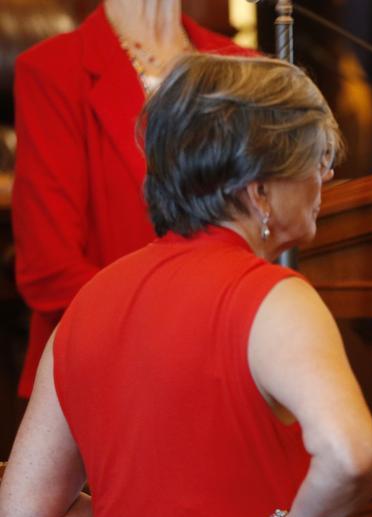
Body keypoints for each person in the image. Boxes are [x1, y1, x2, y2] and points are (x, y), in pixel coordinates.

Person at [0, 54, 372, 517]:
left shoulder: (85, 307)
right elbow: (352, 451)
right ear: (258, 190)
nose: (324, 177)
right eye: (316, 159)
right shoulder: (273, 298)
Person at [11, 0, 248, 398]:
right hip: (103, 377)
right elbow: (48, 272)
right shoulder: (53, 70)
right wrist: (180, 332)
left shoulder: (246, 70)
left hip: (229, 371)